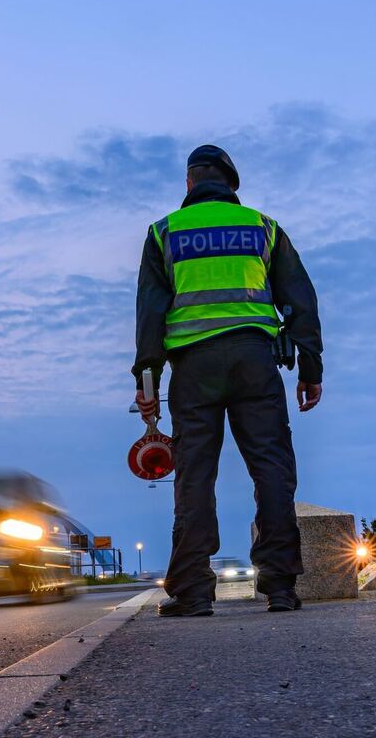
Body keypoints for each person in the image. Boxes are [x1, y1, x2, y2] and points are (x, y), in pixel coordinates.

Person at [132, 145, 323, 616]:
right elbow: (300, 298)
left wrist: (147, 379)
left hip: (193, 369)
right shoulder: (263, 227)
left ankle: (193, 592)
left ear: (189, 183)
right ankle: (281, 587)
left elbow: (151, 313)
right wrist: (310, 367)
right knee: (271, 468)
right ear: (231, 184)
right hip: (255, 361)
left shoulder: (164, 232)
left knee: (195, 475)